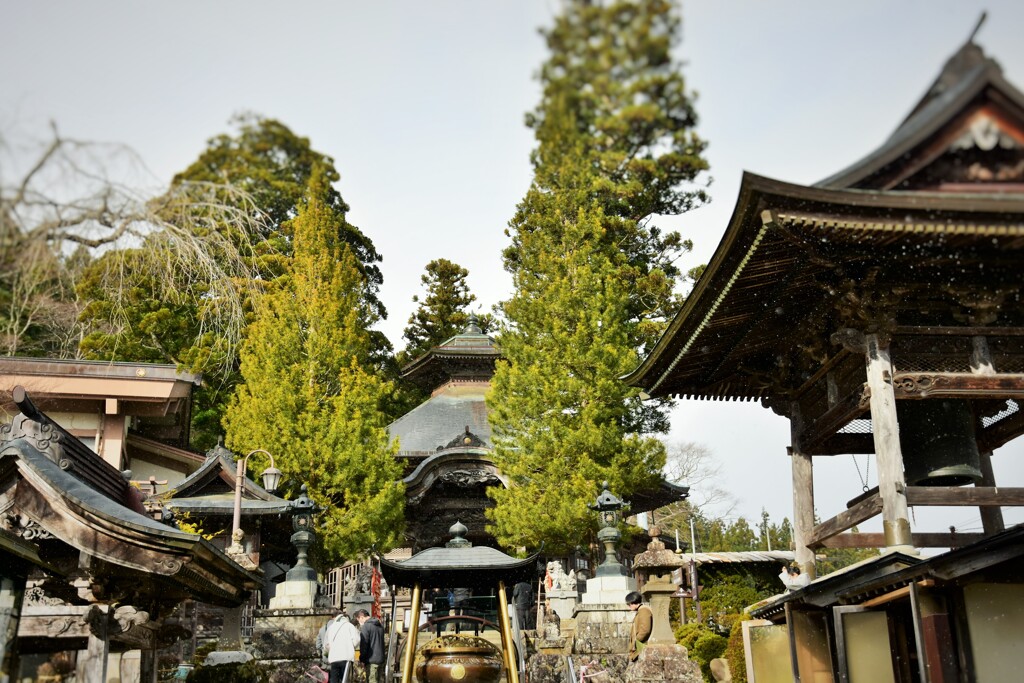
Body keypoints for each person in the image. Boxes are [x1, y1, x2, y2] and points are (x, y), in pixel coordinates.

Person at [323, 611, 360, 683]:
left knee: (334, 679)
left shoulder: (331, 627)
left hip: (334, 658)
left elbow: (326, 645)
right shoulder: (350, 626)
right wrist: (350, 646)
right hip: (346, 658)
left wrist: (332, 650)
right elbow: (357, 640)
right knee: (345, 679)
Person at [354, 608, 385, 683]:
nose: (359, 622)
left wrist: (362, 659)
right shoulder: (380, 625)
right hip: (381, 659)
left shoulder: (366, 627)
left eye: (358, 620)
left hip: (371, 661)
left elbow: (364, 645)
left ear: (361, 617)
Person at [626, 591, 652, 662]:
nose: (628, 606)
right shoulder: (641, 610)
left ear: (632, 602)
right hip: (640, 647)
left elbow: (645, 630)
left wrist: (636, 641)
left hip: (641, 647)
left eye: (628, 604)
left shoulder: (644, 611)